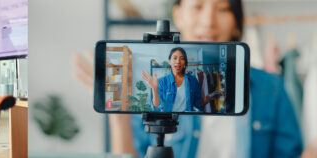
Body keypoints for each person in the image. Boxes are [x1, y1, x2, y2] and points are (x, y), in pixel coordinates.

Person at [86, 0, 304, 157]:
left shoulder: (272, 88)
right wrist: (118, 119)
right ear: (178, 15)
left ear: (237, 22)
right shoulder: (157, 89)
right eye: (198, 6)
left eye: (222, 8)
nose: (208, 21)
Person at [140, 47, 208, 112]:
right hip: (168, 119)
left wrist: (206, 100)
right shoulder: (162, 82)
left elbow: (198, 105)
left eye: (182, 58)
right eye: (175, 58)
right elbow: (156, 108)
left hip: (187, 118)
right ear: (169, 61)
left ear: (185, 62)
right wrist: (154, 89)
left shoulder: (193, 81)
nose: (178, 61)